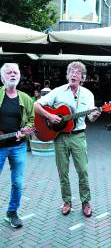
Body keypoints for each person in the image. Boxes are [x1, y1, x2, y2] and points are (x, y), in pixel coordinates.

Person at [34, 61, 101, 217]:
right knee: (62, 172)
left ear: (82, 77)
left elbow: (90, 118)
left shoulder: (88, 94)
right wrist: (50, 116)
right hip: (60, 137)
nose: (73, 74)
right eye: (71, 71)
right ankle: (67, 201)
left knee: (83, 171)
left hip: (78, 136)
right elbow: (37, 105)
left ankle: (85, 202)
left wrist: (95, 115)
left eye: (77, 72)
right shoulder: (58, 91)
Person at [0, 63, 34, 228]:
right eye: (9, 72)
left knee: (18, 182)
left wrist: (25, 130)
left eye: (15, 72)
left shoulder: (26, 99)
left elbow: (32, 121)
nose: (13, 74)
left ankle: (12, 213)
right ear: (2, 78)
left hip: (18, 146)